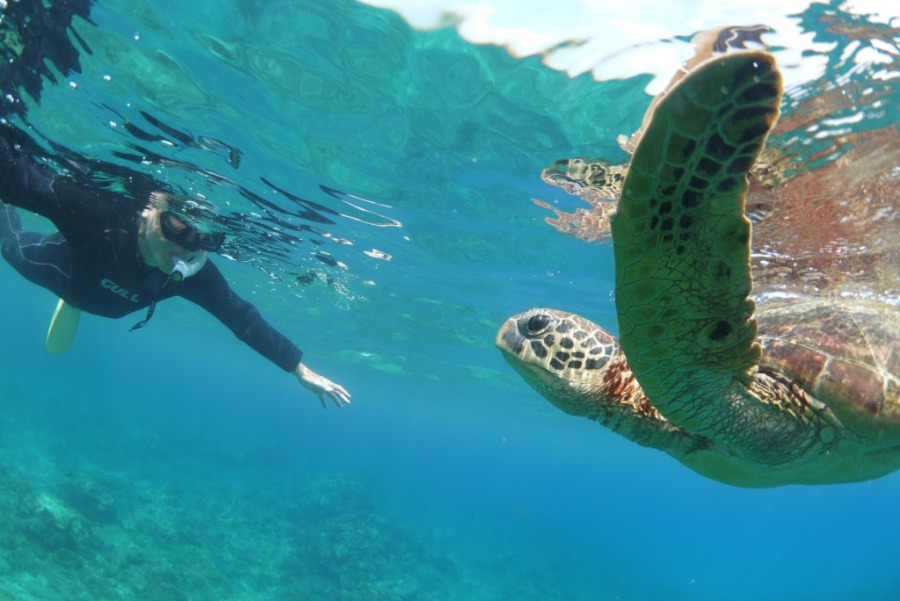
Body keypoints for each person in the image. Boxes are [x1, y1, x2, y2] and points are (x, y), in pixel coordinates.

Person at [0, 130, 350, 408]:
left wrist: (299, 369)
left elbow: (242, 319)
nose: (186, 245)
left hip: (107, 303)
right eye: (178, 226)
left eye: (202, 238)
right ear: (151, 211)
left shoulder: (194, 275)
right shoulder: (99, 218)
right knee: (9, 244)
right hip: (64, 275)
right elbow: (22, 177)